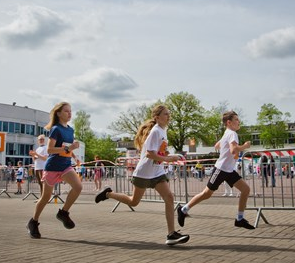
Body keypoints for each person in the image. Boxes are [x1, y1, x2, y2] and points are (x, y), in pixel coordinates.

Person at [95, 105, 189, 245]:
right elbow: (149, 153)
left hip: (157, 172)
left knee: (169, 197)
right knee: (134, 202)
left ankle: (171, 234)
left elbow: (160, 152)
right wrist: (168, 159)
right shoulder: (156, 131)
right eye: (165, 114)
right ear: (157, 117)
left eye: (169, 114)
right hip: (144, 173)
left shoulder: (164, 130)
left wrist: (171, 155)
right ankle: (108, 194)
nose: (168, 116)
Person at [176, 110, 256, 231]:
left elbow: (217, 145)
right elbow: (234, 150)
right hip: (221, 169)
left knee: (245, 189)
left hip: (228, 170)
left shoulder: (228, 132)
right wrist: (245, 146)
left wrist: (223, 144)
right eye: (236, 120)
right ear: (229, 122)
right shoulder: (232, 134)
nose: (239, 122)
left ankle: (239, 219)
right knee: (206, 194)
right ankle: (183, 210)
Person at [27, 102, 82, 239]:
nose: (69, 114)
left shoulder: (70, 130)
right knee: (45, 198)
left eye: (70, 111)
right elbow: (50, 149)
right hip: (52, 166)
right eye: (66, 111)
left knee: (78, 187)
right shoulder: (56, 129)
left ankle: (63, 213)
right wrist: (68, 149)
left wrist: (74, 154)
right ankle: (33, 222)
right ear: (58, 114)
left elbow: (68, 147)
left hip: (65, 165)